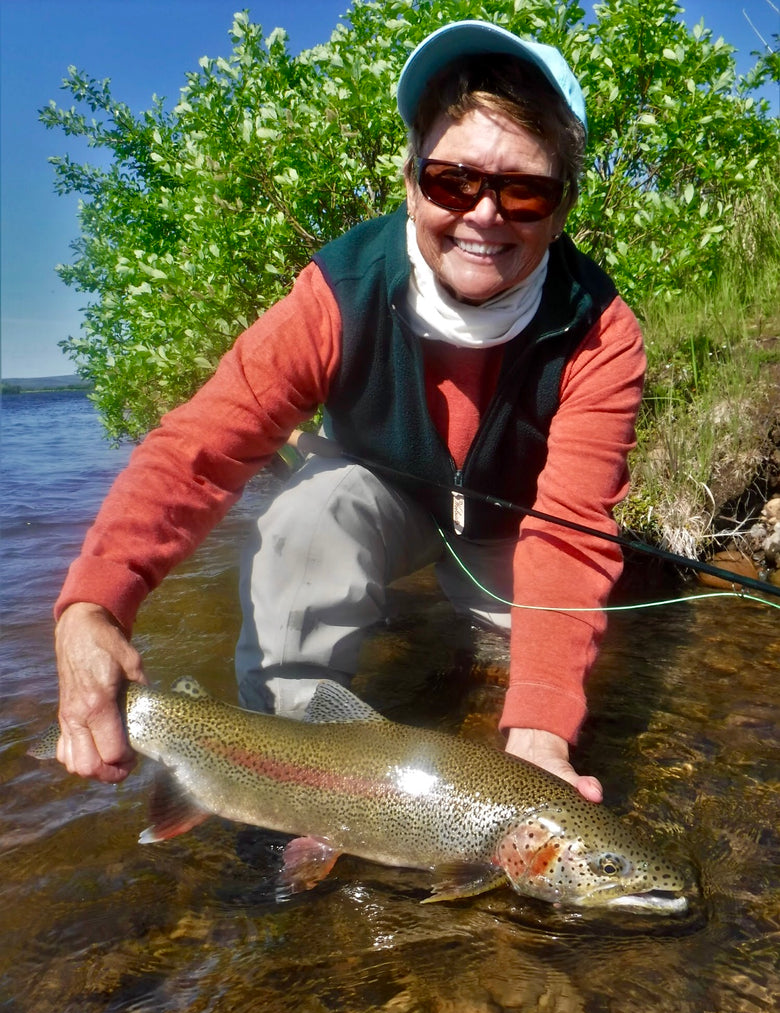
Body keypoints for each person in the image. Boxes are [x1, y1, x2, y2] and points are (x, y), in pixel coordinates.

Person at [53, 21, 645, 804]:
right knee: (309, 510)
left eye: (523, 190)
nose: (485, 214)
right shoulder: (338, 291)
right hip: (379, 504)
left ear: (561, 210)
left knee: (539, 685)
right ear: (410, 181)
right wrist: (91, 607)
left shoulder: (601, 330)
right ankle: (292, 785)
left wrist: (537, 733)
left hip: (515, 532)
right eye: (452, 180)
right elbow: (196, 450)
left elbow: (571, 536)